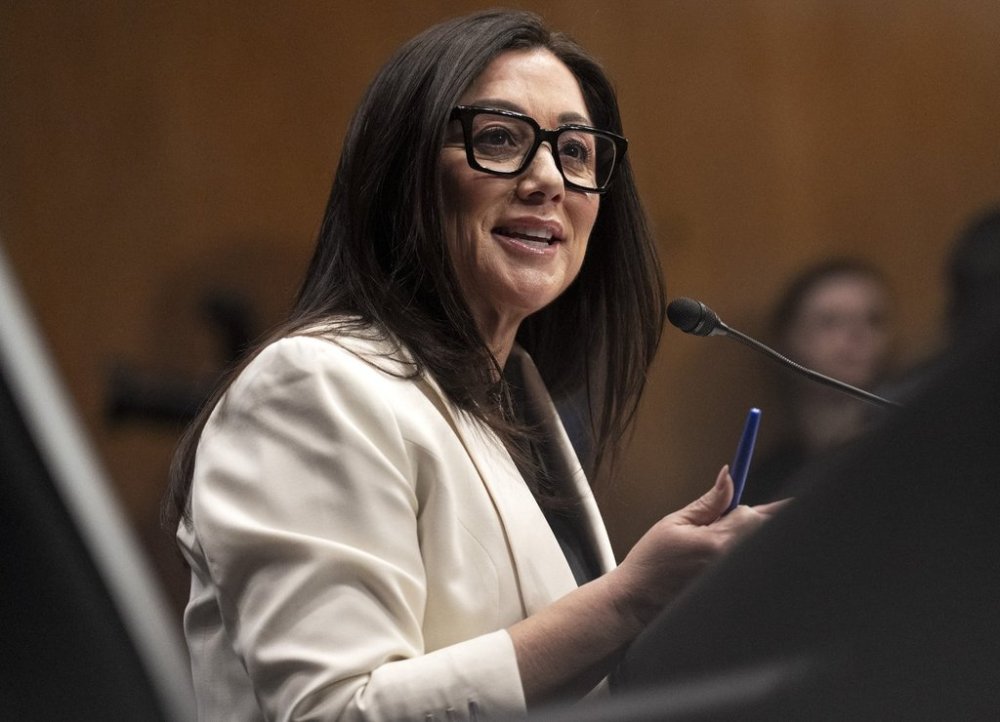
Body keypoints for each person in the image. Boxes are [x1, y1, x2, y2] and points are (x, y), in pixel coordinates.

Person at [164, 10, 778, 721]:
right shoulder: (312, 387)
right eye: (499, 139)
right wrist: (631, 597)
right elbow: (333, 713)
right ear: (403, 175)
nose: (549, 178)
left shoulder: (513, 399)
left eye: (576, 152)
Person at [742, 259, 894, 505]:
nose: (857, 334)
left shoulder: (911, 454)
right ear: (788, 338)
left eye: (873, 320)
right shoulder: (768, 483)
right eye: (830, 322)